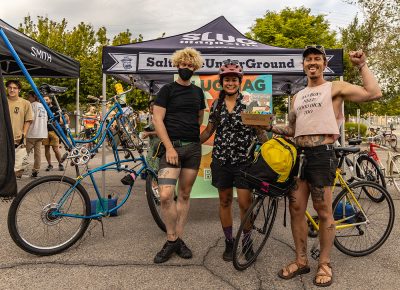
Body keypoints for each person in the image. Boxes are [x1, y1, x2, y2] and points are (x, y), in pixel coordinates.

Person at [260, 46, 382, 287]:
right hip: (300, 156)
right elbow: (292, 131)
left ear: (324, 64)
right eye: (308, 59)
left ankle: (324, 263)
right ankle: (301, 260)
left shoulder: (334, 87)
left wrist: (361, 65)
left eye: (317, 58)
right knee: (296, 209)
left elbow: (373, 93)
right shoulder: (298, 96)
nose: (312, 62)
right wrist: (269, 127)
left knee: (323, 210)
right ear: (303, 65)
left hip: (322, 155)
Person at [200, 60, 258, 261]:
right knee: (224, 201)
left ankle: (247, 242)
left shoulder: (250, 102)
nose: (230, 83)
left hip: (244, 161)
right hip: (221, 160)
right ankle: (229, 242)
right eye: (227, 80)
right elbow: (209, 130)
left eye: (234, 79)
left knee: (245, 203)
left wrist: (272, 147)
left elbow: (260, 132)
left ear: (239, 81)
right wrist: (188, 142)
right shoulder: (216, 104)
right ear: (222, 82)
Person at [152, 47, 205, 263]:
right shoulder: (167, 90)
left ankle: (178, 239)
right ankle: (171, 239)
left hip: (192, 149)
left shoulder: (198, 92)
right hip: (170, 148)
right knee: (165, 196)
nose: (187, 68)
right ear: (177, 65)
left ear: (195, 67)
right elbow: (157, 120)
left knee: (184, 195)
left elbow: (199, 118)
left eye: (191, 65)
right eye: (184, 64)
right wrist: (170, 147)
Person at [6, 80, 33, 178]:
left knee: (18, 168)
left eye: (15, 88)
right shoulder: (2, 101)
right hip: (3, 139)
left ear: (19, 90)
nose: (12, 90)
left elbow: (28, 120)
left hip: (17, 139)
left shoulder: (25, 103)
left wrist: (24, 133)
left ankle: (11, 189)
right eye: (10, 87)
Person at [26, 91, 48, 177]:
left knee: (24, 152)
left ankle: (18, 171)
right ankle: (36, 170)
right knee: (38, 153)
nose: (28, 98)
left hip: (32, 132)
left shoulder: (32, 106)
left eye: (29, 97)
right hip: (41, 133)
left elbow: (29, 119)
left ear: (33, 97)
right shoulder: (43, 106)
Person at [42, 95, 64, 171]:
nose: (45, 101)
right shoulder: (42, 108)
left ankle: (60, 163)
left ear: (50, 100)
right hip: (45, 131)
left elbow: (58, 120)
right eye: (44, 100)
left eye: (47, 99)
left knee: (55, 149)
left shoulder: (55, 108)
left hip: (54, 131)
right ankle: (49, 164)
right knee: (46, 148)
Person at [142, 99, 160, 171]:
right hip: (153, 146)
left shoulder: (160, 118)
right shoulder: (153, 118)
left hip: (159, 147)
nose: (151, 107)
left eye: (153, 105)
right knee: (149, 168)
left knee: (155, 169)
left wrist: (149, 133)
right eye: (150, 106)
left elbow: (163, 132)